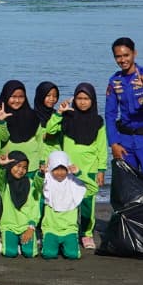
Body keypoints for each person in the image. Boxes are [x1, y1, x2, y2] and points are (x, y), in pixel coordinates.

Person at [45, 83, 108, 249]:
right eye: (79, 98)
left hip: (89, 169)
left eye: (86, 98)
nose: (82, 102)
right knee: (67, 201)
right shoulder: (68, 117)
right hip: (68, 169)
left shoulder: (98, 121)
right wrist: (59, 113)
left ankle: (86, 234)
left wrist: (101, 170)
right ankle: (68, 230)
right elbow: (50, 131)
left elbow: (101, 147)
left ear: (93, 100)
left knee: (87, 204)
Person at [104, 37, 143, 181]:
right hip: (125, 142)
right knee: (128, 186)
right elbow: (110, 114)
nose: (122, 60)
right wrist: (113, 143)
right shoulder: (114, 81)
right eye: (118, 56)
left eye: (126, 55)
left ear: (134, 53)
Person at [0, 151, 41, 258]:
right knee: (9, 252)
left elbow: (35, 207)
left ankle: (20, 244)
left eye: (24, 167)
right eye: (18, 166)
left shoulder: (30, 183)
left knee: (30, 253)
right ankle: (7, 242)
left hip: (26, 226)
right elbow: (0, 177)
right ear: (10, 165)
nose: (21, 170)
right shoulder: (4, 184)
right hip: (9, 226)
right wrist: (1, 166)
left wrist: (31, 227)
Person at [41, 151, 87, 260]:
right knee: (48, 254)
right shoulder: (47, 182)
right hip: (51, 229)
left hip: (69, 230)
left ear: (68, 168)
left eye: (63, 169)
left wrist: (79, 173)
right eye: (56, 169)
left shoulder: (74, 183)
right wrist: (40, 174)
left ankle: (65, 245)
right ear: (51, 168)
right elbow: (37, 185)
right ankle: (51, 244)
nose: (60, 173)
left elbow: (93, 188)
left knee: (73, 255)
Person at [0, 80, 41, 172]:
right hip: (8, 163)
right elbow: (2, 139)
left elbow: (40, 140)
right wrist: (1, 122)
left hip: (32, 164)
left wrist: (42, 161)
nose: (17, 100)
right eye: (13, 97)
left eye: (21, 97)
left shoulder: (33, 115)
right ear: (6, 96)